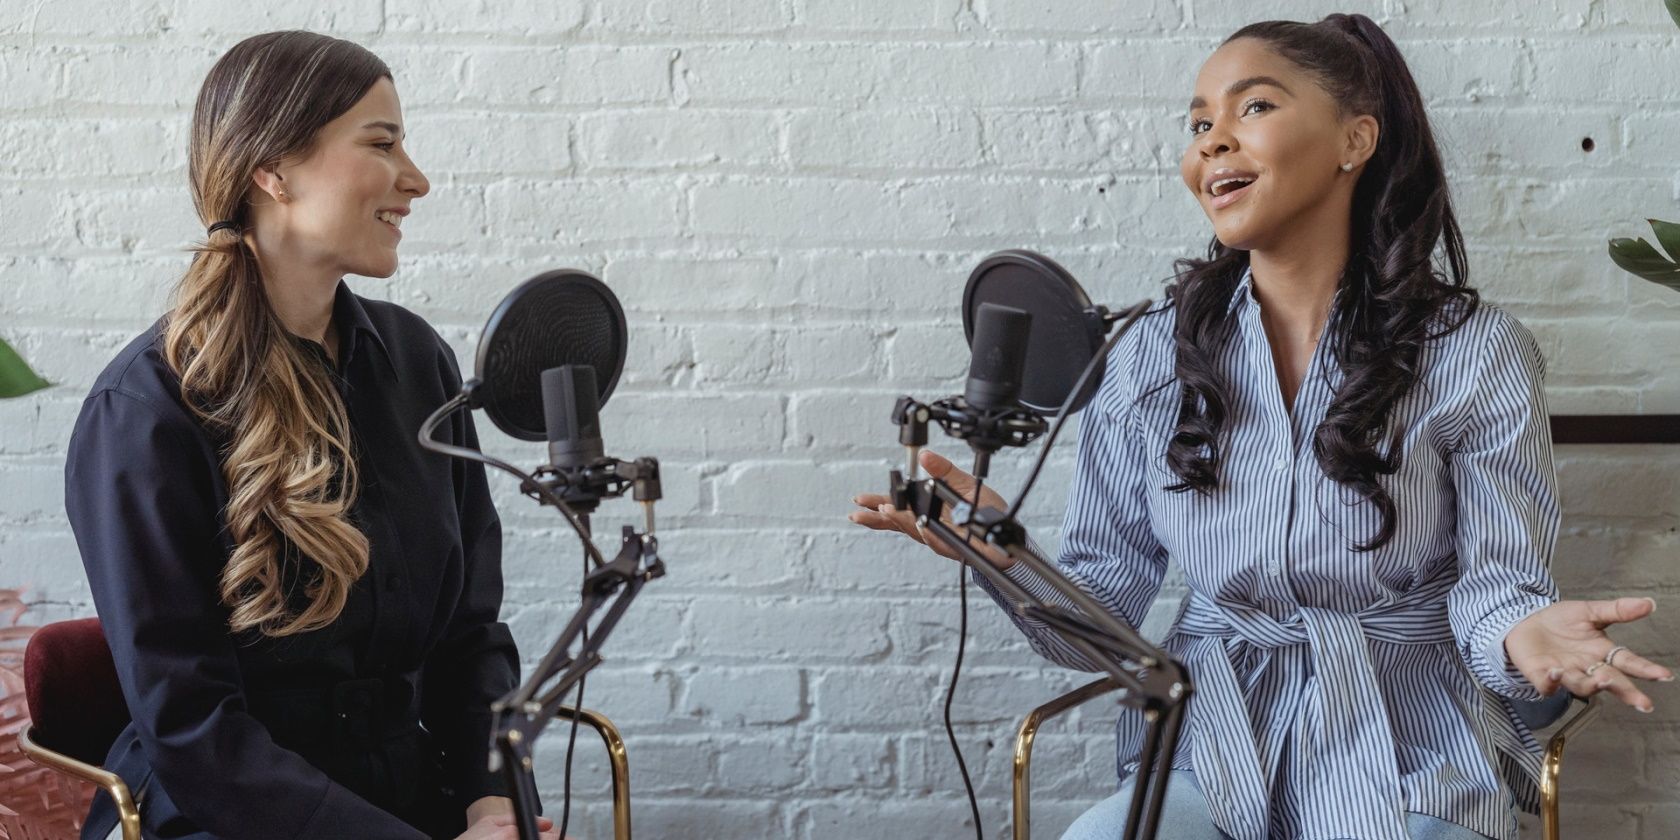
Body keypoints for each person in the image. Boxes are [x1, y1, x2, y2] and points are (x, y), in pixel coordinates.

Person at [850, 13, 1671, 840]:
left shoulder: (1477, 352)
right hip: (1209, 736)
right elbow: (1101, 613)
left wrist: (1527, 632)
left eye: (1253, 109)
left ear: (1356, 139)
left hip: (1408, 739)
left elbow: (1498, 588)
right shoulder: (1145, 354)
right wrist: (1003, 558)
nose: (1212, 141)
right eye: (1199, 122)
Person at [63, 31, 560, 840]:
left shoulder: (417, 365)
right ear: (274, 169)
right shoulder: (145, 410)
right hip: (224, 817)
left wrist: (494, 804)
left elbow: (470, 638)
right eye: (382, 143)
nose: (417, 179)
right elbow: (193, 730)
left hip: (414, 801)